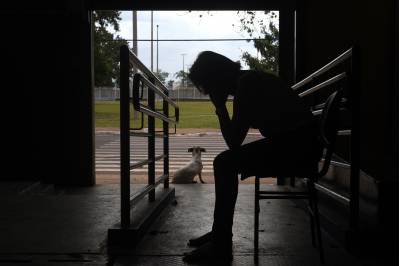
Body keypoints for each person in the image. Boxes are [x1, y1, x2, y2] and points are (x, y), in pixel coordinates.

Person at [182, 51, 322, 264]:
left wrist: (220, 107)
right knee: (225, 162)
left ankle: (221, 244)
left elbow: (233, 142)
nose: (207, 92)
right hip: (302, 145)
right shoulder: (248, 80)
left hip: (297, 148)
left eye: (206, 86)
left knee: (223, 163)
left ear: (215, 78)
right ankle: (220, 234)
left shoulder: (246, 85)